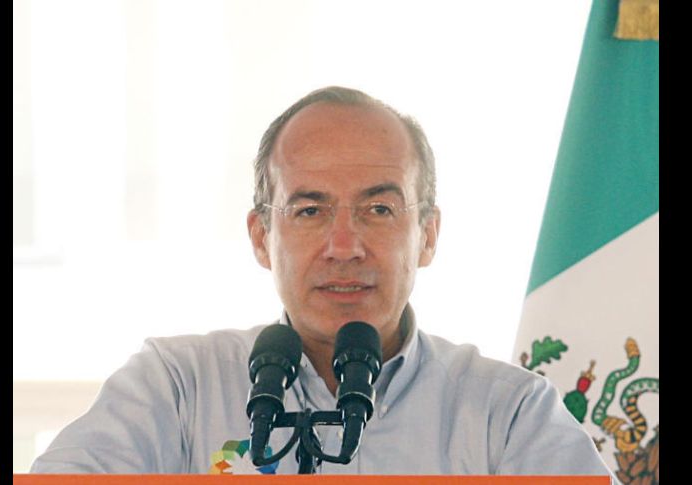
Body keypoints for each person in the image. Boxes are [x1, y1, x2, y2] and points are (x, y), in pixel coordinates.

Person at [31, 86, 616, 478]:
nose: (344, 246)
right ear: (261, 236)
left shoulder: (508, 413)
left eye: (379, 210)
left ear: (428, 235)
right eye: (310, 211)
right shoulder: (177, 387)